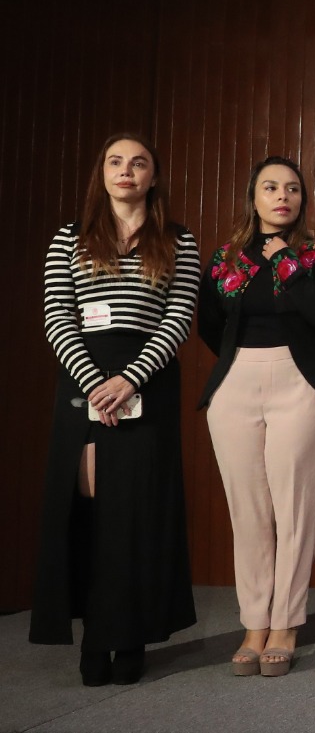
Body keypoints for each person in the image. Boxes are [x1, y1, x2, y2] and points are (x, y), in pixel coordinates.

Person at [31, 133, 201, 686]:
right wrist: (95, 385)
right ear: (102, 173)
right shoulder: (70, 237)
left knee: (137, 513)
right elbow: (58, 317)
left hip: (146, 382)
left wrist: (129, 380)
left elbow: (178, 319)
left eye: (139, 163)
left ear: (153, 176)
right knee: (91, 509)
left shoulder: (178, 240)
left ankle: (127, 636)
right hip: (83, 382)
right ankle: (93, 635)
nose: (126, 170)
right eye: (115, 161)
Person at [197, 156, 315, 677]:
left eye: (293, 189)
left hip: (299, 382)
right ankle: (254, 623)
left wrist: (285, 259)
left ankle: (285, 623)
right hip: (236, 382)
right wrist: (239, 363)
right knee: (249, 512)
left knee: (294, 509)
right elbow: (209, 323)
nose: (283, 196)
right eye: (271, 187)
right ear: (253, 197)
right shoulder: (226, 258)